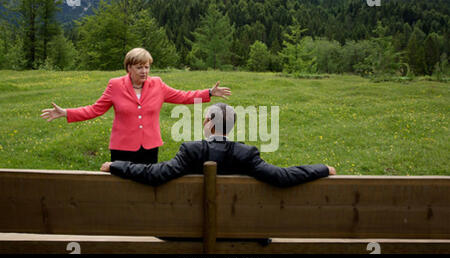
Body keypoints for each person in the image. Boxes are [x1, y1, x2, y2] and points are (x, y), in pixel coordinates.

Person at [40, 48, 231, 164]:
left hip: (149, 147)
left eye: (147, 66)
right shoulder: (115, 85)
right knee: (122, 188)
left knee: (146, 186)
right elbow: (95, 109)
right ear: (129, 68)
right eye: (139, 67)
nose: (144, 71)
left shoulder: (157, 84)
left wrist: (209, 93)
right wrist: (66, 113)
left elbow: (182, 96)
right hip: (122, 147)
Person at [100, 103, 336, 187]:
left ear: (209, 124)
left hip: (187, 234)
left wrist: (116, 165)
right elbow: (283, 177)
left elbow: (154, 174)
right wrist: (323, 169)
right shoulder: (246, 154)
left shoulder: (191, 151)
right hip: (239, 233)